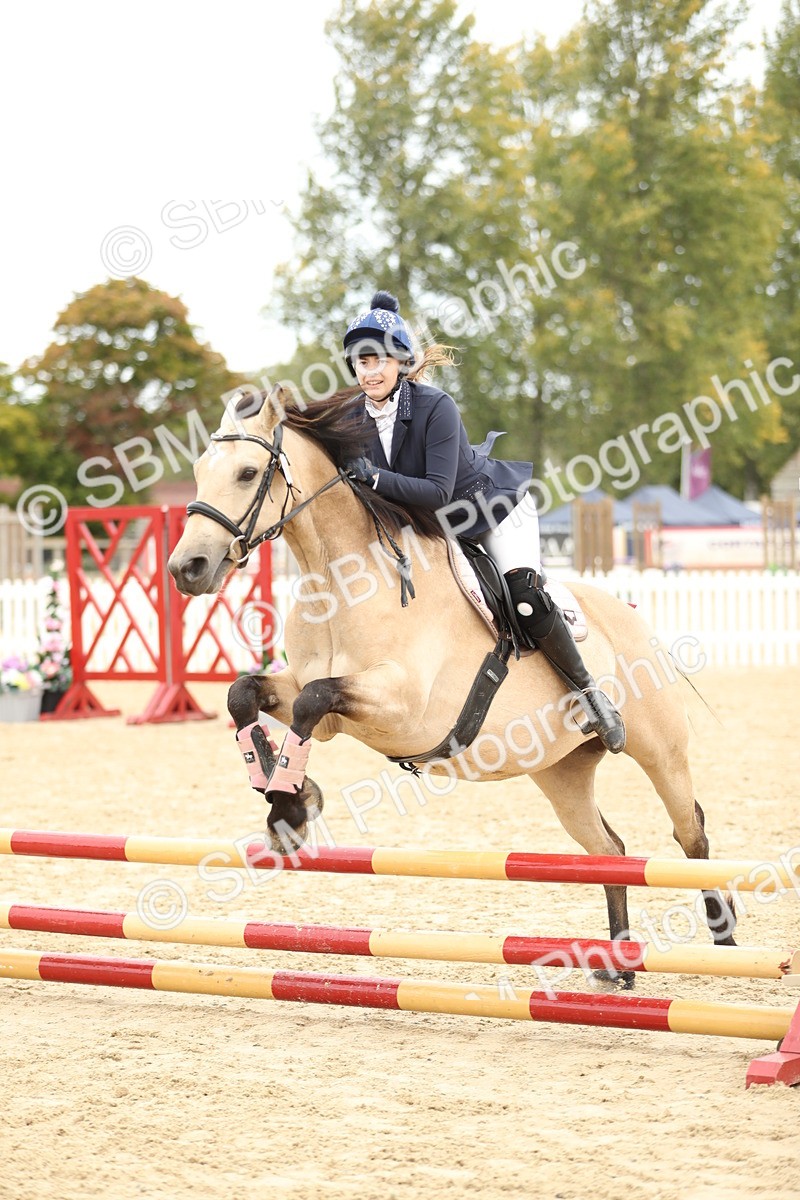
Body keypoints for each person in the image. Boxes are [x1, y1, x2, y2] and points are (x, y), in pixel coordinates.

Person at [341, 290, 626, 754]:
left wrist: (372, 477)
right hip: (431, 528)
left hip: (488, 510)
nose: (369, 371)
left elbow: (435, 491)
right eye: (360, 362)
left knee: (524, 594)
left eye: (378, 360)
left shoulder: (436, 407)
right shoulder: (352, 416)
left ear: (400, 363)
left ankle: (590, 693)